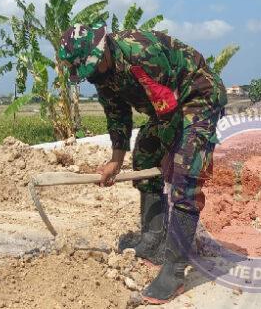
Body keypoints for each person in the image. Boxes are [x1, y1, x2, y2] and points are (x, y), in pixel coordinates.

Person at [58, 23, 226, 303]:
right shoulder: (102, 74)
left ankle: (173, 270)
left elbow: (169, 112)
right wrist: (115, 160)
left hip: (197, 97)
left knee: (185, 175)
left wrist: (171, 151)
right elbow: (117, 114)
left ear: (103, 50)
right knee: (144, 155)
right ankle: (153, 238)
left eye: (94, 66)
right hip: (167, 108)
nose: (93, 76)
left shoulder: (141, 55)